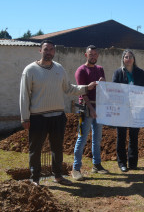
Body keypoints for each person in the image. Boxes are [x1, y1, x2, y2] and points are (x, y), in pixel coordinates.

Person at [20, 40, 97, 186]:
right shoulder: (30, 70)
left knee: (57, 149)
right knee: (35, 149)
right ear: (40, 50)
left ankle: (58, 176)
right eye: (46, 49)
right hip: (38, 118)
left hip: (57, 117)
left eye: (51, 50)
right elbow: (24, 95)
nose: (48, 52)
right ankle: (35, 178)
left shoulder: (59, 69)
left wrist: (87, 88)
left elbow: (69, 88)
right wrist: (25, 117)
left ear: (54, 52)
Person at [72, 45, 108, 181]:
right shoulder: (81, 71)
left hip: (99, 107)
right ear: (85, 55)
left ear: (98, 55)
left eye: (95, 54)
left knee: (97, 138)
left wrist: (103, 83)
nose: (93, 57)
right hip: (86, 108)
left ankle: (97, 165)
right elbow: (82, 91)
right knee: (82, 138)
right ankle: (76, 169)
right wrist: (91, 109)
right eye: (90, 54)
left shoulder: (100, 69)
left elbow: (103, 90)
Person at [112, 49, 144, 172]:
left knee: (134, 136)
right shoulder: (118, 73)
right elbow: (114, 90)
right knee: (121, 136)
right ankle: (122, 163)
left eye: (130, 56)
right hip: (122, 110)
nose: (128, 59)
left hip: (135, 110)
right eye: (126, 57)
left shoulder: (140, 73)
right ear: (123, 59)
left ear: (134, 59)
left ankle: (133, 162)